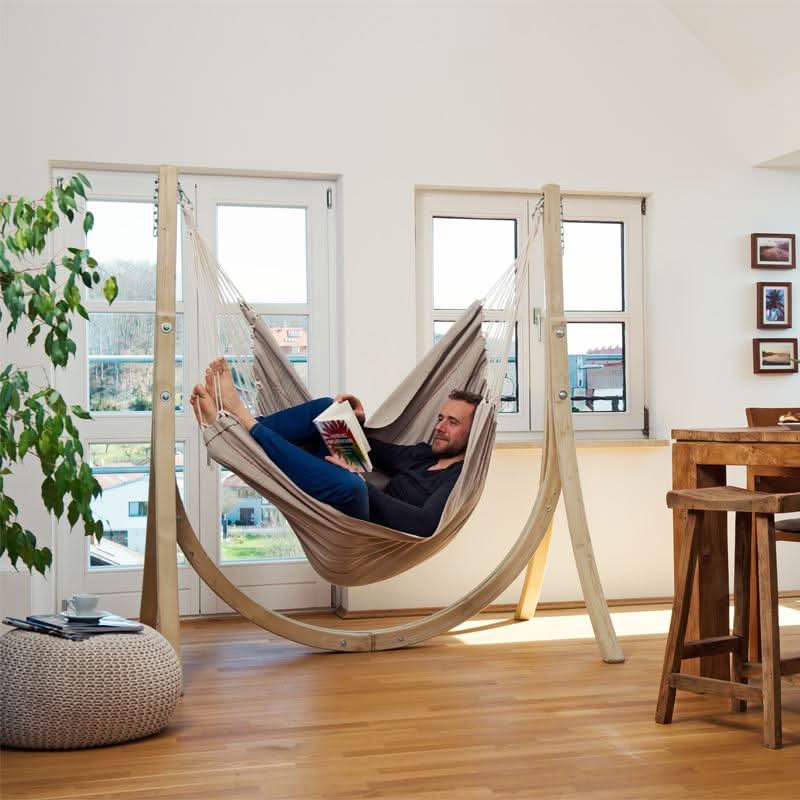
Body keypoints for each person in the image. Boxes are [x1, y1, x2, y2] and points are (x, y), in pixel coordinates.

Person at [190, 358, 481, 537]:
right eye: (440, 418)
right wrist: (355, 421)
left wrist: (362, 483)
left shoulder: (456, 478)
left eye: (452, 422)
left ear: (475, 432)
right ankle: (235, 429)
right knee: (326, 410)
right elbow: (372, 449)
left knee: (351, 486)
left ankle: (240, 421)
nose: (440, 426)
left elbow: (423, 525)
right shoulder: (423, 454)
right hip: (342, 485)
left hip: (368, 525)